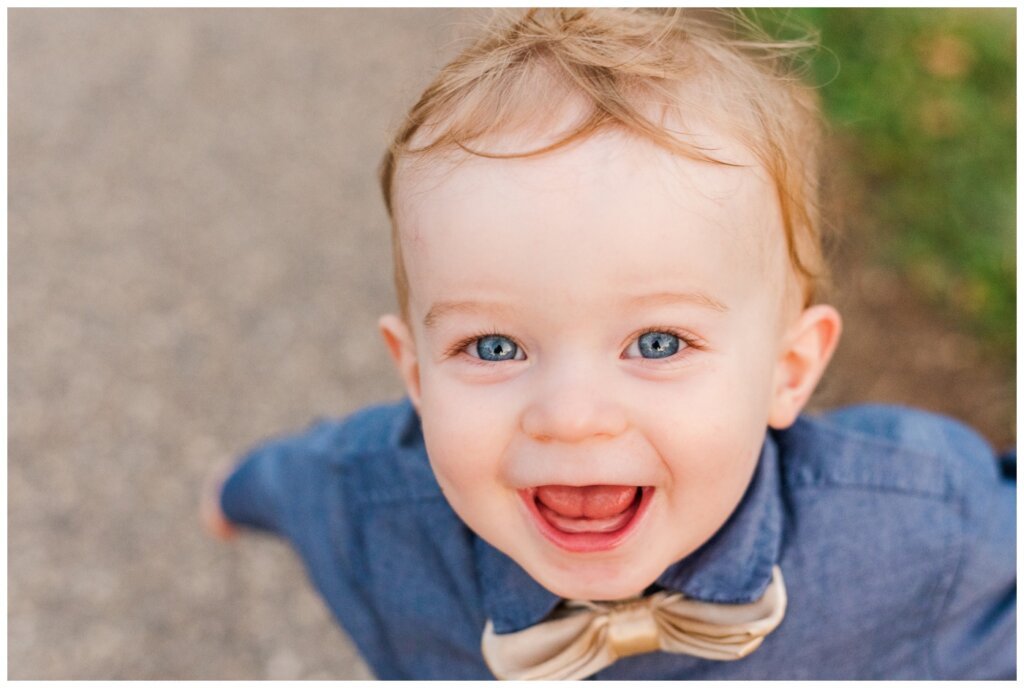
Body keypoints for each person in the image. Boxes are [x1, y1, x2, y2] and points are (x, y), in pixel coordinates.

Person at [200, 8, 1015, 680]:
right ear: (414, 374)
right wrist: (234, 496)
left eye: (657, 342)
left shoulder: (925, 524)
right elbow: (294, 483)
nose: (572, 417)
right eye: (492, 347)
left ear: (787, 369)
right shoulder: (371, 506)